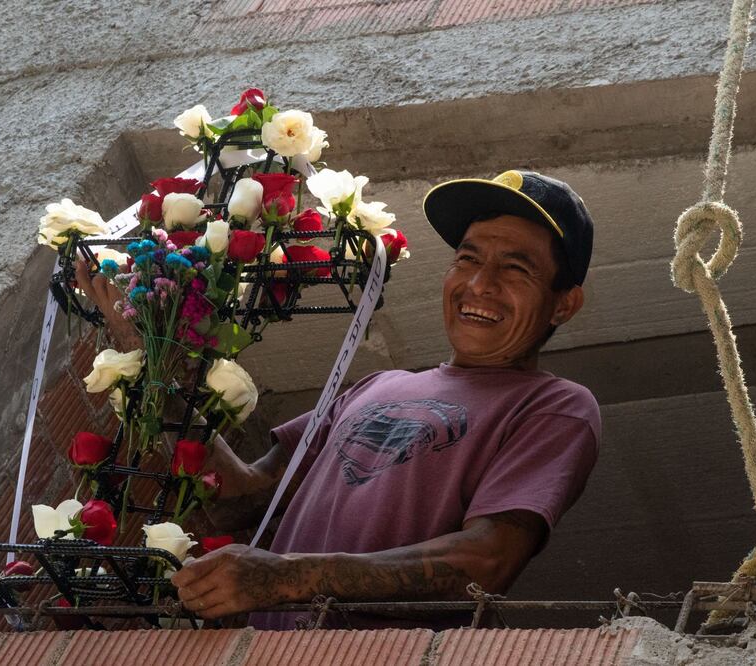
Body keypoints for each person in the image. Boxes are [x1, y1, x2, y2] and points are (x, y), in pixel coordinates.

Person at [77, 169, 600, 629]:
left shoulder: (554, 406)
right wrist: (149, 352)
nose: (480, 284)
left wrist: (288, 577)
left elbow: (487, 561)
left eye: (516, 269)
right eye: (468, 258)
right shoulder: (376, 387)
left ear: (564, 304)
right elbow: (236, 499)